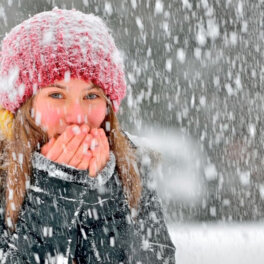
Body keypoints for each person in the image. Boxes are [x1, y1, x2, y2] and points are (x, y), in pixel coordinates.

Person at [0, 8, 176, 264]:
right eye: (57, 95)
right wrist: (55, 193)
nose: (77, 116)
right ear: (24, 107)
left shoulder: (132, 170)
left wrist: (102, 193)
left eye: (91, 96)